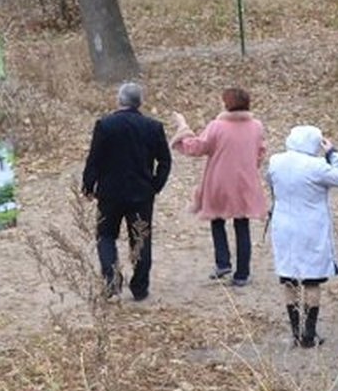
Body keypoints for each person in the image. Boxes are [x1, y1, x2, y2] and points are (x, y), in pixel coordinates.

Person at [81, 81, 172, 301]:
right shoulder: (153, 127)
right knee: (140, 239)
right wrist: (155, 186)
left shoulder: (105, 125)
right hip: (141, 193)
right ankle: (140, 287)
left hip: (110, 193)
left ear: (119, 100)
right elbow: (165, 161)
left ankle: (112, 279)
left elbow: (94, 159)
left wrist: (88, 185)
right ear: (140, 102)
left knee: (105, 236)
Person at [266, 125, 338, 348]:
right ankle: (309, 333)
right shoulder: (317, 166)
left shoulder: (276, 161)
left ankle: (295, 331)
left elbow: (271, 184)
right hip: (311, 226)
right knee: (312, 279)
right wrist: (333, 153)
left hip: (283, 224)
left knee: (289, 278)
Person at [170, 86, 268, 286]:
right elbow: (260, 151)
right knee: (242, 225)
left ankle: (223, 262)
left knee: (216, 219)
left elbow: (198, 147)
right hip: (245, 182)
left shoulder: (217, 126)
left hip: (219, 181)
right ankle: (242, 273)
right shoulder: (256, 126)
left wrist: (182, 133)